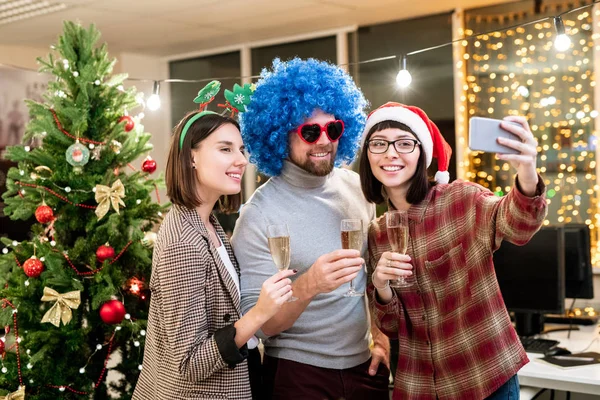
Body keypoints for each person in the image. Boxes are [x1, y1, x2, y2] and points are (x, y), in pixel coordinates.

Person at [359, 102, 547, 399]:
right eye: (379, 144)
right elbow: (392, 327)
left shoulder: (461, 200)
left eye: (405, 143)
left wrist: (527, 171)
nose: (390, 153)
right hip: (419, 388)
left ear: (422, 154)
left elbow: (519, 225)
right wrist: (380, 287)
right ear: (367, 155)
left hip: (485, 378)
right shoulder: (377, 233)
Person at [231, 58, 390, 400]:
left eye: (333, 130)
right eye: (309, 131)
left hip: (366, 369)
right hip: (297, 375)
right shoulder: (258, 215)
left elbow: (371, 279)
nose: (323, 141)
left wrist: (381, 336)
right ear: (278, 133)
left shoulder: (360, 189)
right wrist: (309, 285)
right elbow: (260, 324)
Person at [133, 84, 295, 400]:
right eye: (225, 149)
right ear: (191, 157)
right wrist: (259, 313)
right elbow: (190, 363)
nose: (241, 160)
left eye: (241, 149)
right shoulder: (183, 241)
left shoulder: (209, 223)